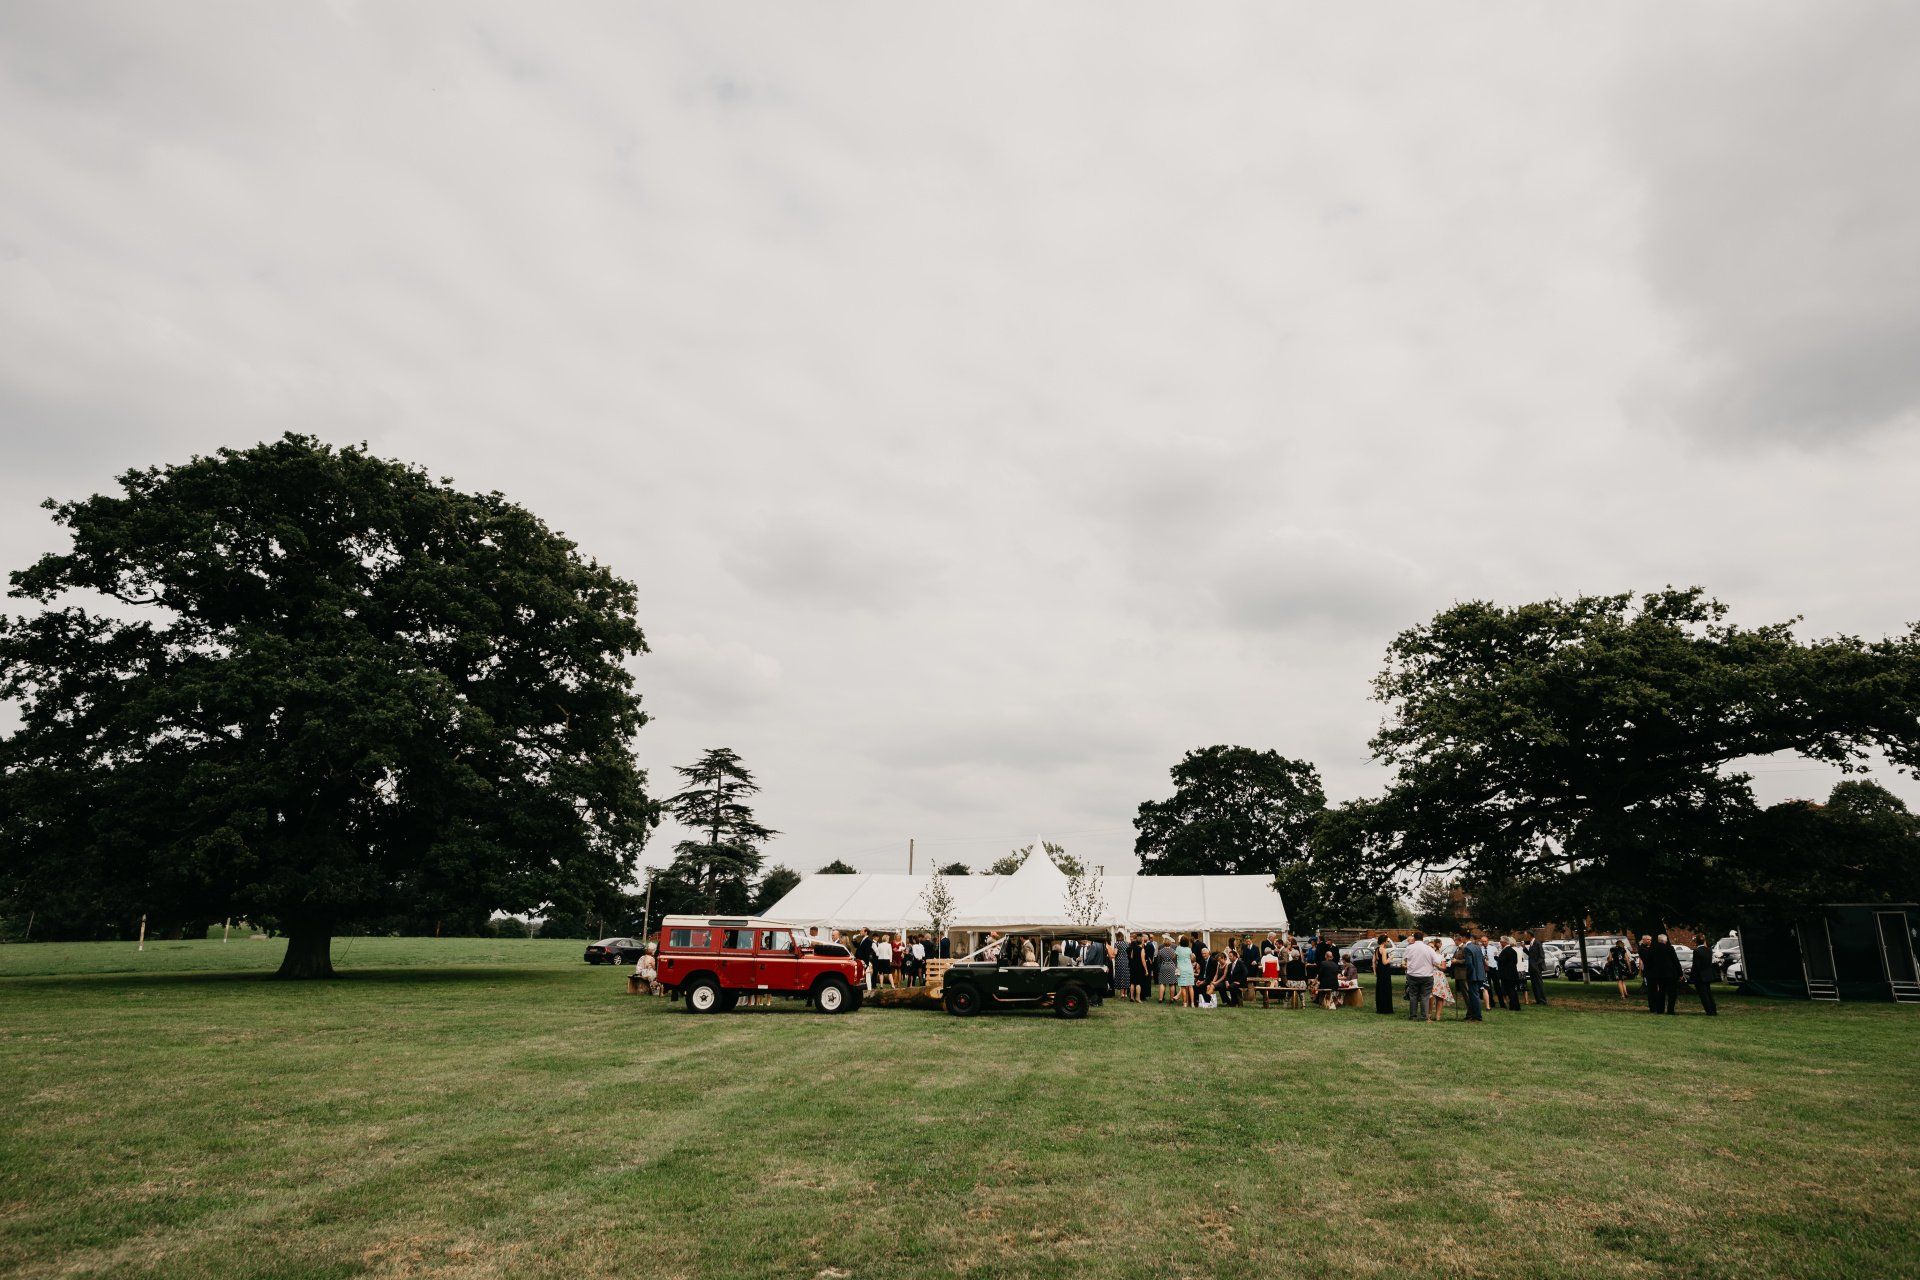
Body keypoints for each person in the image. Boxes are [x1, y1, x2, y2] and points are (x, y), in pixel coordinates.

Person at [1402, 930, 1437, 1021]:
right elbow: (1436, 961)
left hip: (1412, 974)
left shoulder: (1409, 948)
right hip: (1426, 975)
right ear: (1423, 938)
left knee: (1413, 995)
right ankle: (1424, 1016)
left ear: (1414, 938)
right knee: (1425, 996)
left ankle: (1413, 1016)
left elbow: (1404, 959)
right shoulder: (1429, 948)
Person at [1650, 933, 1682, 1014]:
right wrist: (1680, 973)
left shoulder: (1653, 949)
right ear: (1665, 940)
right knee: (1672, 993)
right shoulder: (1670, 948)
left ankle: (1660, 1009)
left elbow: (1650, 961)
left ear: (1658, 940)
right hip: (1670, 973)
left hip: (1659, 974)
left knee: (1661, 992)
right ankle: (1670, 1010)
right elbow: (1675, 961)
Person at [1690, 931, 1718, 1016]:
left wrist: (1692, 975)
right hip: (1707, 974)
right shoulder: (1709, 950)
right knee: (1708, 993)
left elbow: (1696, 965)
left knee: (1703, 995)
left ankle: (1709, 1011)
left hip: (1700, 976)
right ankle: (1713, 1009)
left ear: (1696, 941)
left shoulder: (1697, 951)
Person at [1459, 933, 1485, 1022]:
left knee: (1474, 996)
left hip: (1473, 975)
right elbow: (1482, 960)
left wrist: (1468, 974)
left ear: (1464, 938)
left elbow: (1469, 964)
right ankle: (1474, 1015)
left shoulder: (1467, 948)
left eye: (1461, 937)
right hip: (1480, 974)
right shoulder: (1477, 947)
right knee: (1475, 995)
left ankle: (1477, 1016)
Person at [1496, 937, 1523, 1011]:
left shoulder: (1506, 951)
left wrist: (1496, 957)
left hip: (1507, 974)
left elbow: (1502, 961)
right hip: (1513, 973)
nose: (1500, 943)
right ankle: (1515, 1006)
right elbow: (1515, 962)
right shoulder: (1513, 951)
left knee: (1510, 991)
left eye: (1501, 942)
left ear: (1504, 942)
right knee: (1512, 990)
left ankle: (1514, 1006)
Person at [1373, 932, 1395, 1015]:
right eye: (1387, 941)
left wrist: (1375, 971)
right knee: (1386, 989)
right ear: (1383, 942)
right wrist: (1391, 958)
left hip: (1379, 970)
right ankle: (1386, 1009)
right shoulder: (1384, 950)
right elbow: (1385, 962)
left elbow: (1373, 961)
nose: (1388, 942)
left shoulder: (1376, 949)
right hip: (1384, 971)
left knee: (1380, 988)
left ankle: (1380, 1008)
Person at [1526, 932, 1549, 1006]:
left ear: (1530, 935)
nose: (1525, 936)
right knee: (1534, 984)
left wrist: (1535, 965)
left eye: (1526, 934)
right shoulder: (1531, 943)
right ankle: (1538, 1000)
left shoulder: (1537, 943)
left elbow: (1541, 956)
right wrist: (1524, 949)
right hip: (1532, 968)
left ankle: (1542, 1000)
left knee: (1539, 984)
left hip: (1537, 968)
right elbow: (1531, 955)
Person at [1154, 936, 1178, 1003]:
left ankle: (1160, 998)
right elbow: (1174, 958)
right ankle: (1172, 999)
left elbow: (1159, 959)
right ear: (1170, 943)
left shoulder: (1161, 951)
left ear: (1164, 943)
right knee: (1172, 983)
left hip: (1164, 966)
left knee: (1162, 983)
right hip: (1171, 966)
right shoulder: (1174, 951)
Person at [1174, 935, 1196, 1007]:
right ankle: (1192, 1003)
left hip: (1181, 969)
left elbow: (1174, 957)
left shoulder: (1178, 948)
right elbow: (1192, 958)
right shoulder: (1189, 949)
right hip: (1189, 968)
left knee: (1183, 987)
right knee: (1190, 986)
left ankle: (1185, 1003)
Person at [1112, 935, 1133, 1001]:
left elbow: (1115, 953)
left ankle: (1121, 994)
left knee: (1121, 976)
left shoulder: (1117, 943)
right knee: (1125, 976)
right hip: (1126, 960)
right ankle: (1125, 993)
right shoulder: (1127, 943)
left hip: (1119, 960)